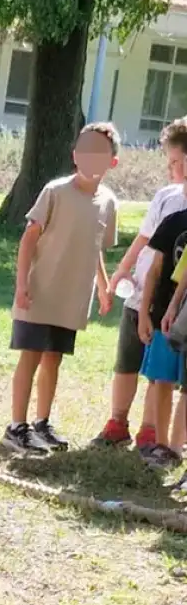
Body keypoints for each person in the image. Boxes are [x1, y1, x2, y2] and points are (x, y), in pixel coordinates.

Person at [3, 123, 119, 454]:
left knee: (54, 358)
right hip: (40, 292)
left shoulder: (108, 202)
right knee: (31, 356)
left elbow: (95, 245)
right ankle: (16, 426)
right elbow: (29, 238)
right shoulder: (55, 191)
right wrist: (22, 283)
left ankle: (42, 423)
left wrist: (103, 284)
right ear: (75, 154)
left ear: (113, 162)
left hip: (71, 299)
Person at [93, 118, 187, 454]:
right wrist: (121, 272)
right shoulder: (166, 197)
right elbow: (144, 239)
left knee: (158, 371)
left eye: (175, 162)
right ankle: (117, 422)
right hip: (140, 296)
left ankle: (152, 432)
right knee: (127, 360)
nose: (170, 168)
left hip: (170, 304)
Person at [135, 176, 187, 467]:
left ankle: (177, 447)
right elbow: (155, 270)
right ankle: (162, 444)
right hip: (165, 317)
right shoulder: (173, 221)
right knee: (162, 379)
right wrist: (144, 312)